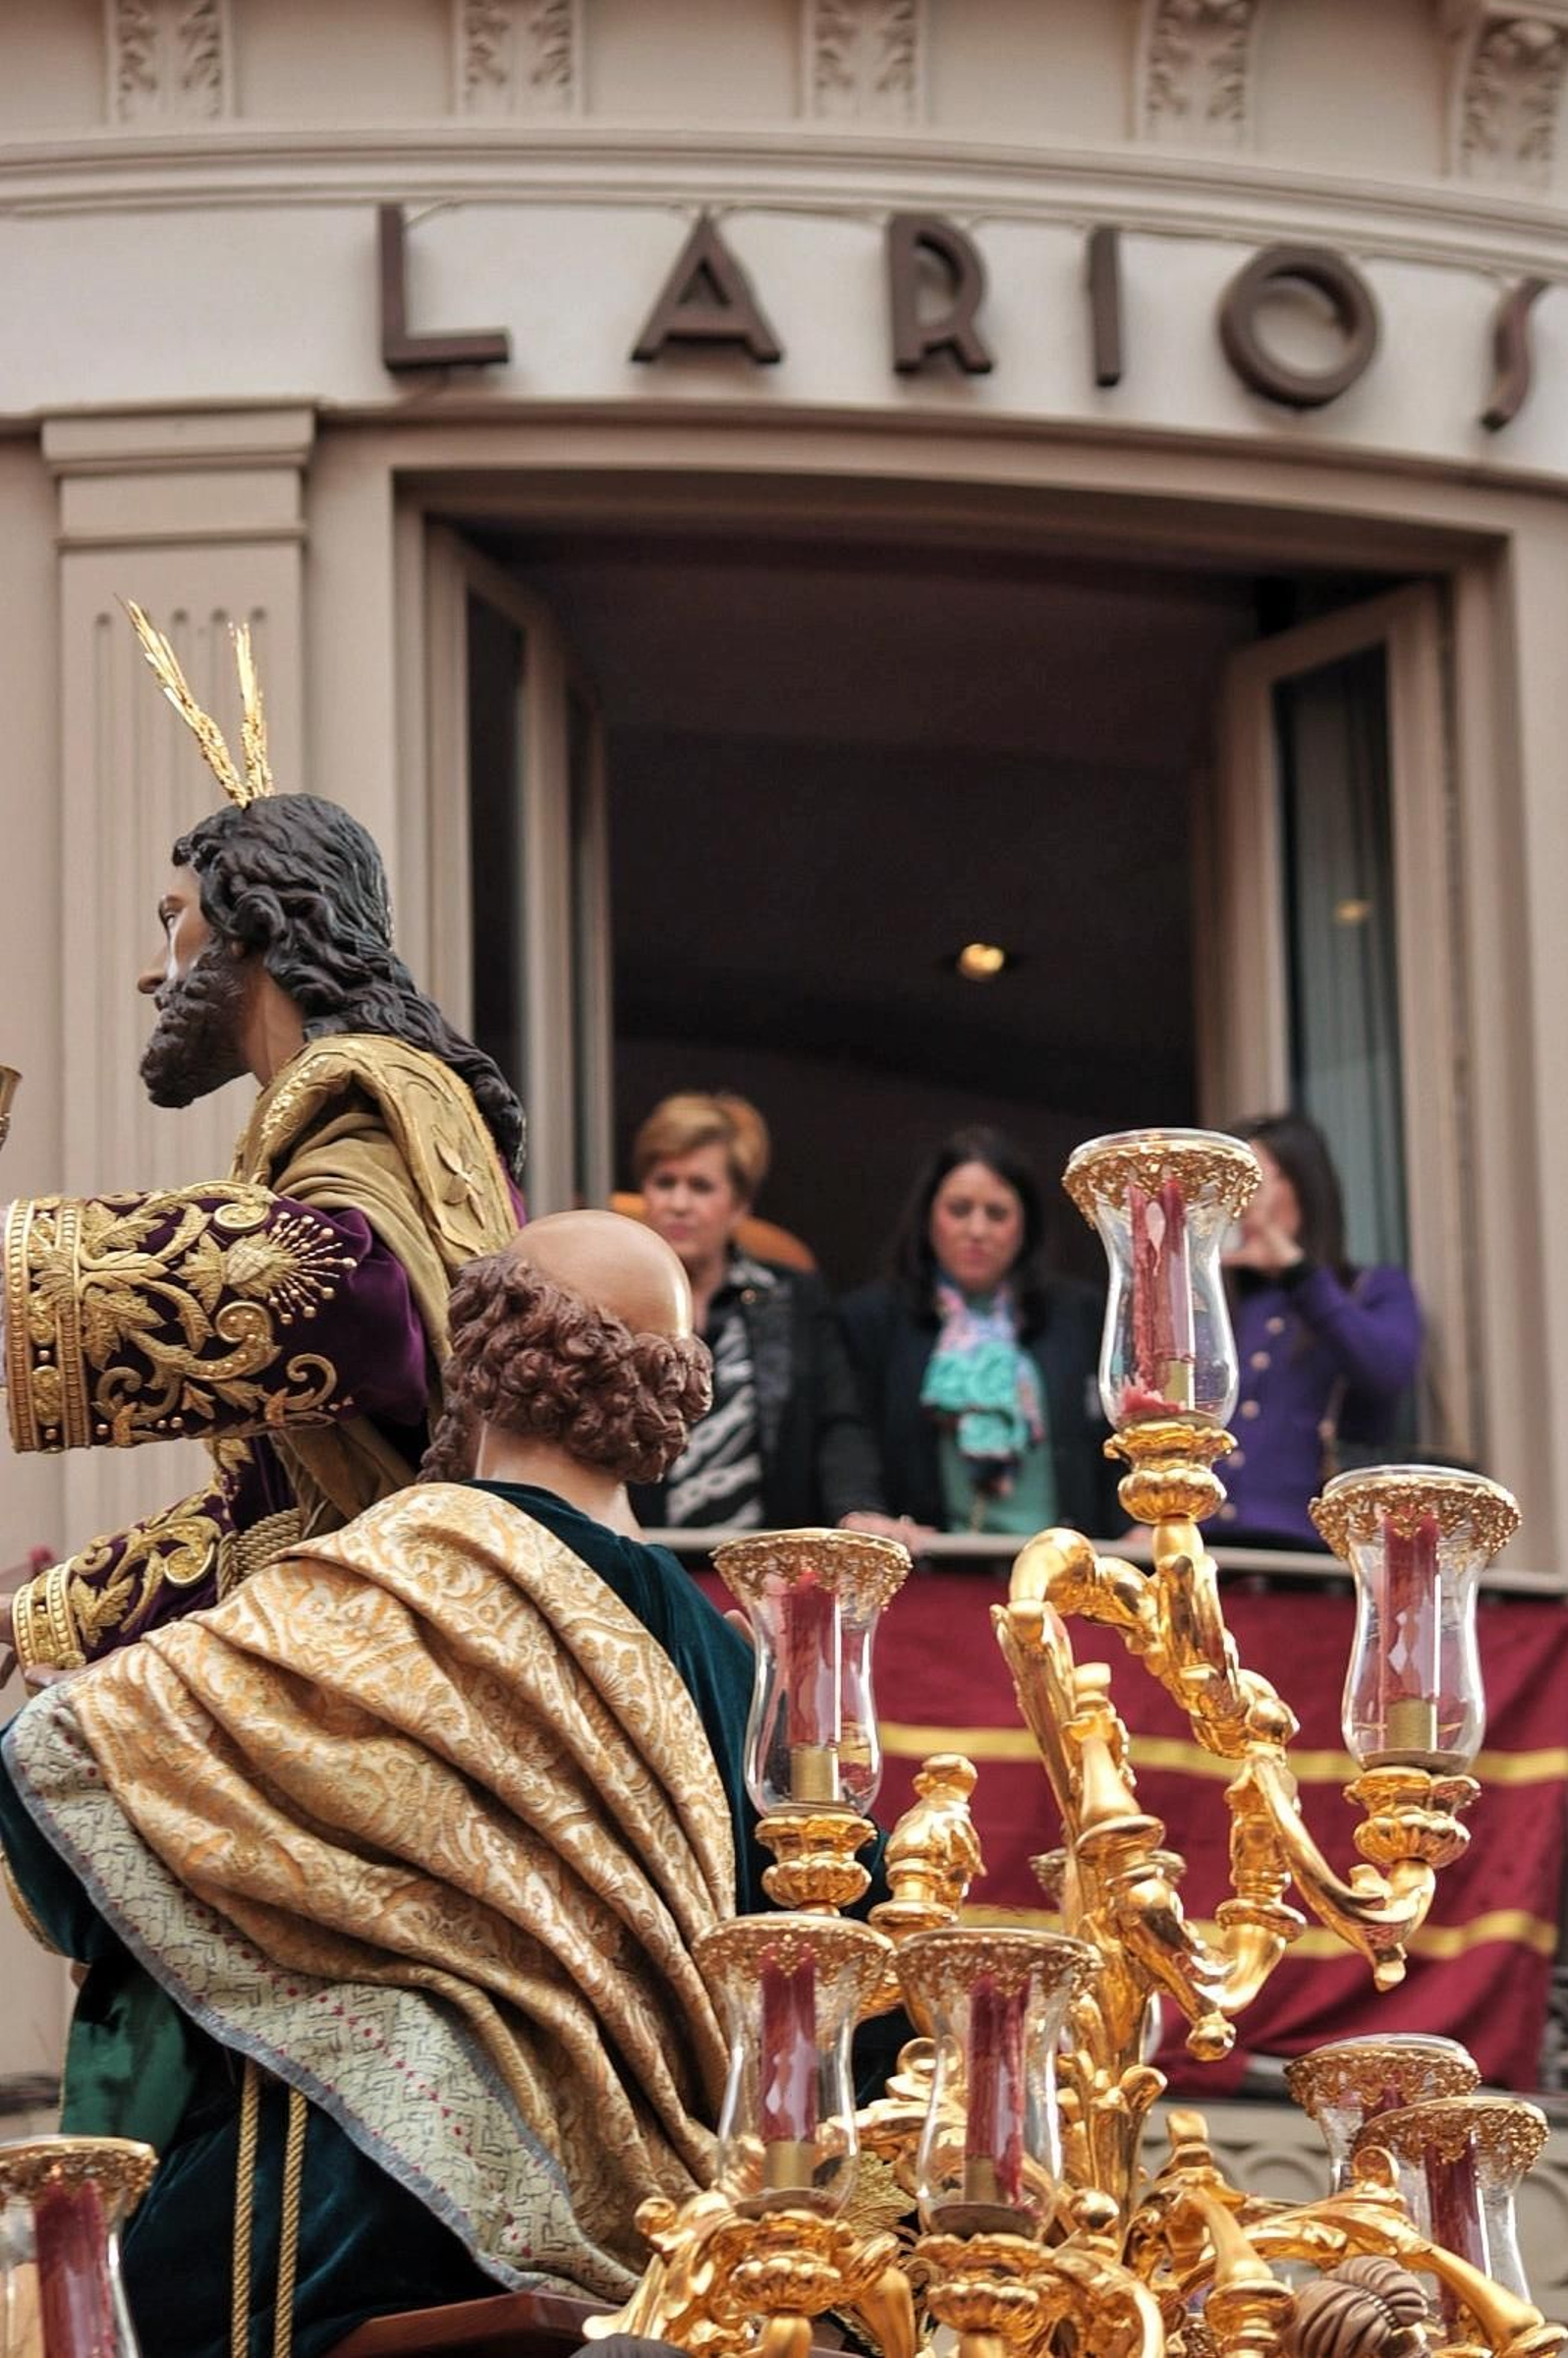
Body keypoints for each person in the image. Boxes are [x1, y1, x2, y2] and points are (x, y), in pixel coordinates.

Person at [0, 1212, 756, 2357]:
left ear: (485, 1355)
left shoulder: (422, 1554)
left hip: (392, 2197)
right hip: (688, 2226)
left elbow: (77, 1786)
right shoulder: (734, 1653)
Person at [1, 605, 523, 1680]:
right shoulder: (384, 1103)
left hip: (385, 1657)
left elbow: (363, 1305)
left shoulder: (366, 1101)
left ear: (252, 924)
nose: (155, 970)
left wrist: (41, 1277)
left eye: (171, 918)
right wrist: (43, 1616)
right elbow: (278, 1510)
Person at [627, 1092, 898, 1537]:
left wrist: (857, 1508)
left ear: (739, 1206)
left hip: (765, 1570)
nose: (678, 1202)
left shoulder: (793, 1299)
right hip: (643, 1561)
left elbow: (837, 1423)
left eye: (700, 1186)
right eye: (663, 1181)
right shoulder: (614, 1298)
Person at [839, 1126, 1115, 1540]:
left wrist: (1134, 1526)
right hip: (933, 1572)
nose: (977, 1230)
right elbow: (848, 1435)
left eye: (997, 1213)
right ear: (928, 1216)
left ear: (1025, 1227)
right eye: (959, 1209)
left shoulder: (1080, 1313)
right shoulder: (871, 1318)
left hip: (1062, 1571)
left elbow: (1116, 1439)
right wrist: (863, 1512)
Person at [1218, 1111, 1424, 1548]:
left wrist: (1297, 1272)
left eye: (1258, 1180)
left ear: (1304, 1186)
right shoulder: (1221, 1301)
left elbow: (1385, 1371)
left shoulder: (1370, 1289)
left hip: (1312, 1554)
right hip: (1206, 1549)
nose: (1248, 1202)